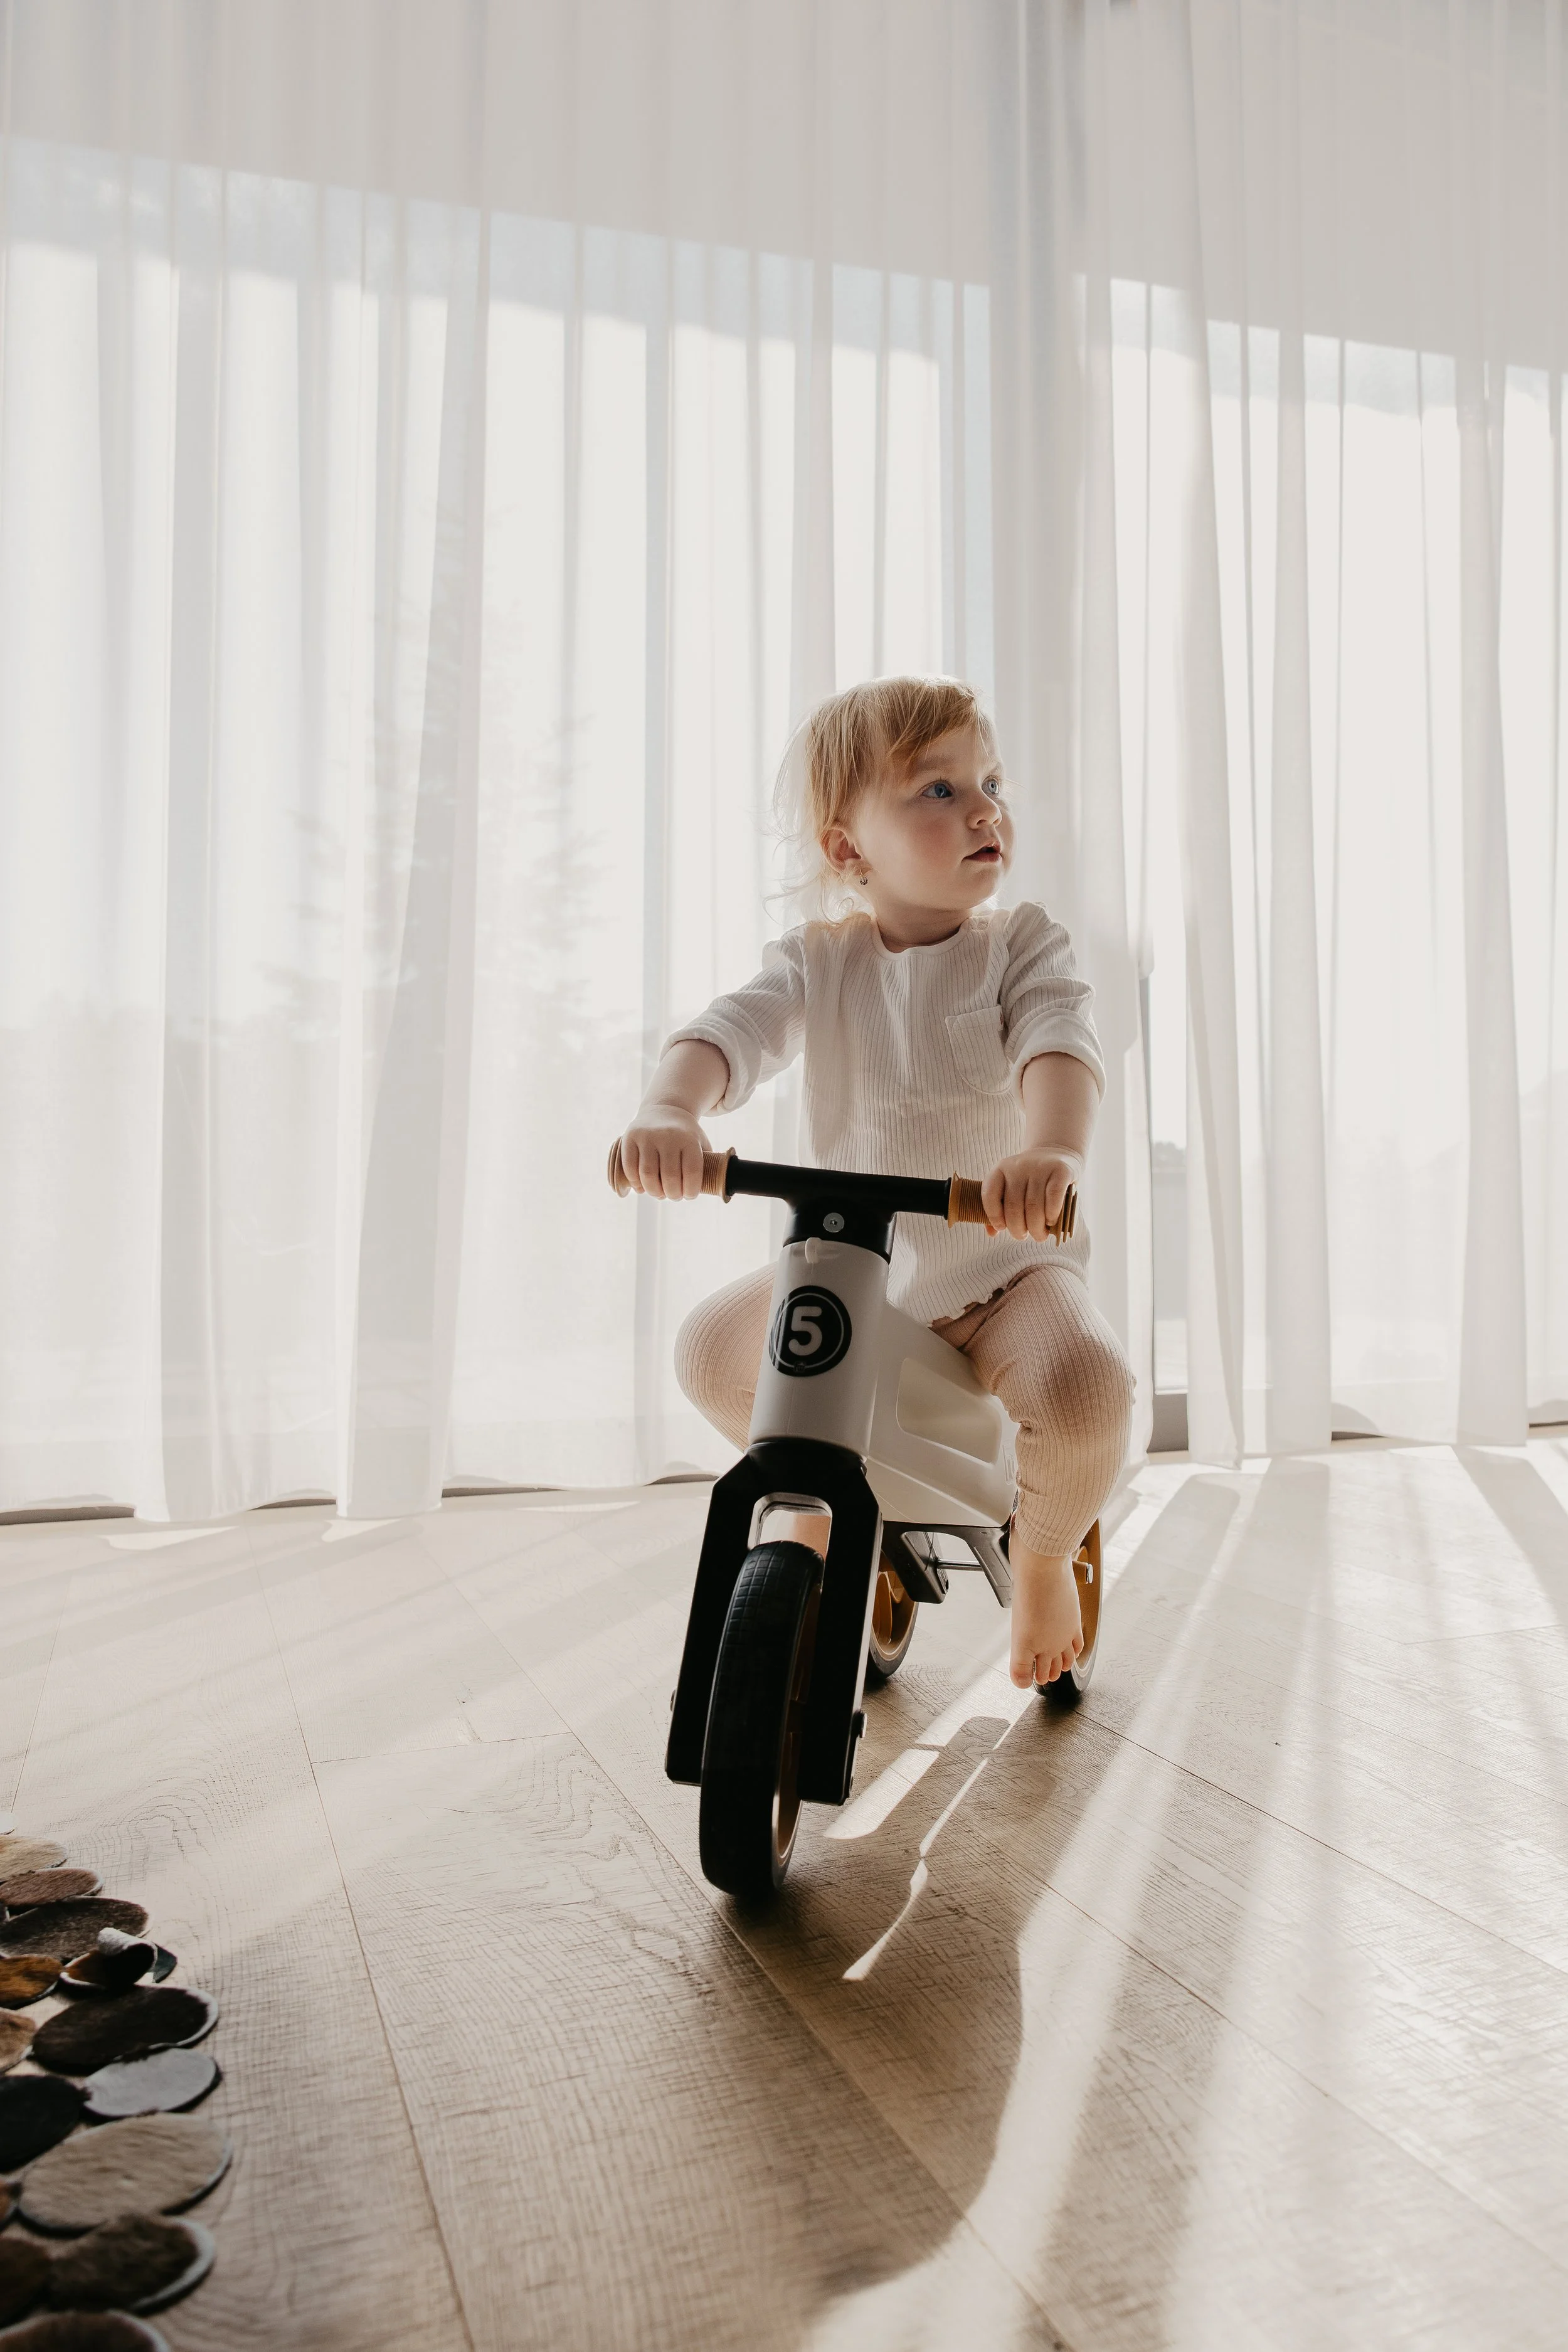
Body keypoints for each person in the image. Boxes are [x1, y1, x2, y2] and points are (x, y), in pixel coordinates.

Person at [616, 675, 1134, 1691]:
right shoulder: (819, 962)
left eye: (989, 780)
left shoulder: (1018, 944)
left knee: (1086, 1391)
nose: (983, 806)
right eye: (937, 791)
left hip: (1003, 1274)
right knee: (715, 1350)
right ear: (849, 849)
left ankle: (1039, 1555)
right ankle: (826, 1501)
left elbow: (1058, 1040)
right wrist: (672, 1110)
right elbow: (734, 1032)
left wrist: (1054, 1149)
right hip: (860, 1269)